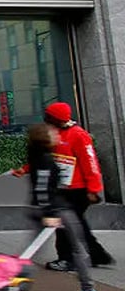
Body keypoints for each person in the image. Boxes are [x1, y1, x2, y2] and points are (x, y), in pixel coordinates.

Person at [26, 123, 115, 291]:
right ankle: (88, 290)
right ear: (45, 139)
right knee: (78, 249)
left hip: (47, 208)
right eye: (53, 133)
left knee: (33, 251)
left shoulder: (38, 157)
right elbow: (43, 188)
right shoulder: (46, 160)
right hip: (58, 209)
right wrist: (50, 212)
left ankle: (12, 281)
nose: (57, 135)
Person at [39, 102, 115, 272]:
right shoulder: (55, 133)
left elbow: (90, 163)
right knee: (76, 224)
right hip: (63, 188)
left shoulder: (78, 135)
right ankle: (97, 255)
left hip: (77, 190)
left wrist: (93, 189)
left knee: (65, 225)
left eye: (48, 117)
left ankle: (68, 259)